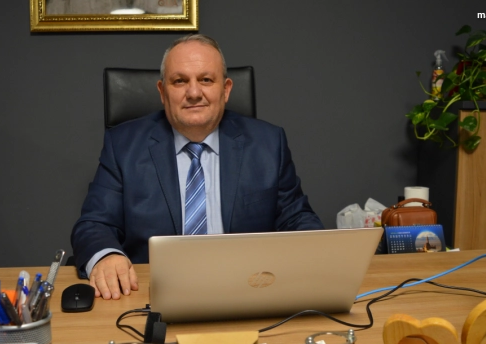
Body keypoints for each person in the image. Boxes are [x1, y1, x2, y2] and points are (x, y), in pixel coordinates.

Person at [71, 34, 323, 300]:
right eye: (180, 81)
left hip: (250, 292)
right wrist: (107, 256)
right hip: (152, 296)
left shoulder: (268, 144)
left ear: (226, 90)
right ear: (162, 92)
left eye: (206, 80)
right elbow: (94, 224)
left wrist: (319, 253)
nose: (193, 93)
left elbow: (297, 219)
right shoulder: (123, 145)